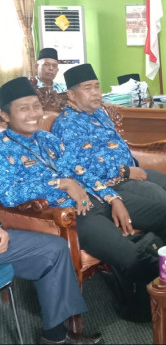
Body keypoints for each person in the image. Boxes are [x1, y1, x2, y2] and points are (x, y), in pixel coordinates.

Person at [51, 62, 166, 257]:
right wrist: (125, 171)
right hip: (111, 183)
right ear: (71, 95)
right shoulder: (66, 125)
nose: (96, 92)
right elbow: (82, 168)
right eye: (88, 88)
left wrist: (131, 167)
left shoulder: (99, 112)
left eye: (97, 86)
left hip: (130, 171)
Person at [0, 76, 100, 344]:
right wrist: (60, 183)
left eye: (36, 106)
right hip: (44, 213)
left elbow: (73, 166)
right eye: (24, 108)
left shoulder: (45, 137)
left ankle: (54, 336)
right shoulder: (3, 147)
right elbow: (9, 193)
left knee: (54, 250)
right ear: (5, 115)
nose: (33, 114)